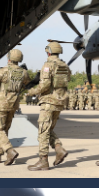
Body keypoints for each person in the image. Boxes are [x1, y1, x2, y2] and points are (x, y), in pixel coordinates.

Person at [21, 42, 71, 170]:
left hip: (49, 101)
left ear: (48, 52)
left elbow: (44, 86)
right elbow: (68, 79)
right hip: (60, 102)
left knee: (43, 131)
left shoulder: (47, 65)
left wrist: (30, 91)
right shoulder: (64, 65)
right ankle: (59, 149)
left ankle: (43, 161)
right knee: (47, 129)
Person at [0, 49, 31, 165]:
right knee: (4, 129)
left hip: (1, 104)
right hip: (13, 104)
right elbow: (28, 85)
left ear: (9, 58)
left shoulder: (1, 71)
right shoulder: (24, 73)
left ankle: (10, 150)